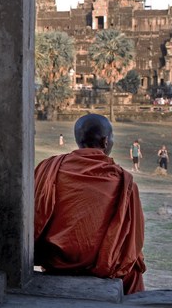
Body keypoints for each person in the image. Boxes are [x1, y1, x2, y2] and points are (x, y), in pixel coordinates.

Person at [34, 114, 146, 295]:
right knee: (134, 267)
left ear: (79, 140)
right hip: (102, 266)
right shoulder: (124, 182)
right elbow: (134, 241)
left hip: (56, 261)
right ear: (105, 141)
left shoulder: (49, 168)